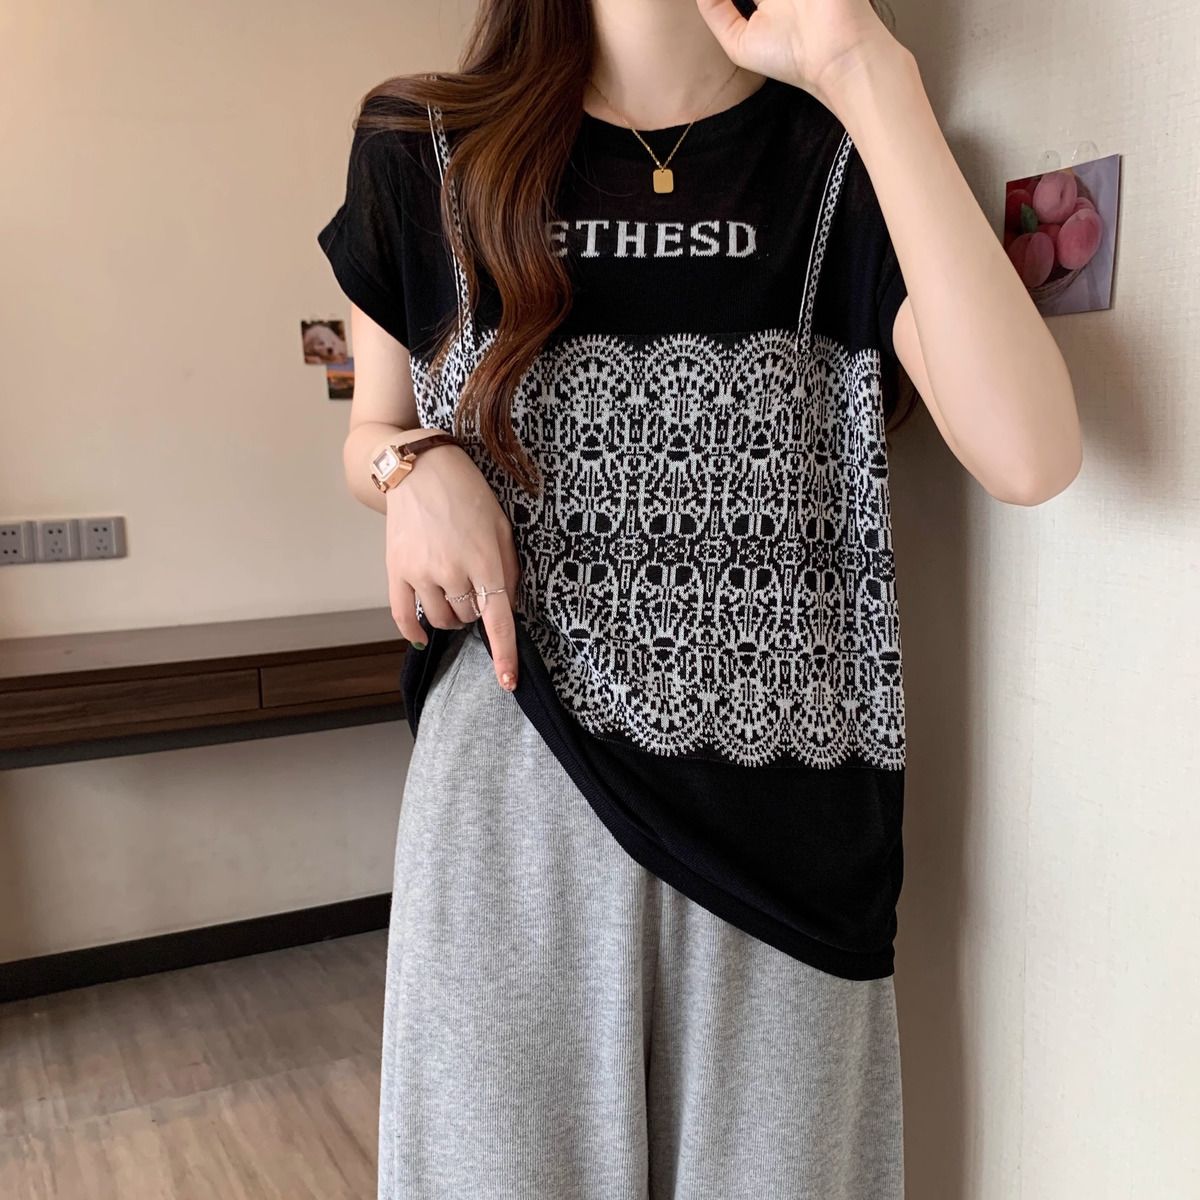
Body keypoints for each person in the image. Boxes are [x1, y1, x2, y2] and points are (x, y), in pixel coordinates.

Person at [317, 1, 1082, 1195]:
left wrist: (864, 70)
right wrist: (413, 467)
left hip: (788, 834)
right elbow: (371, 430)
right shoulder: (422, 146)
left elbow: (1032, 454)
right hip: (517, 793)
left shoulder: (846, 162)